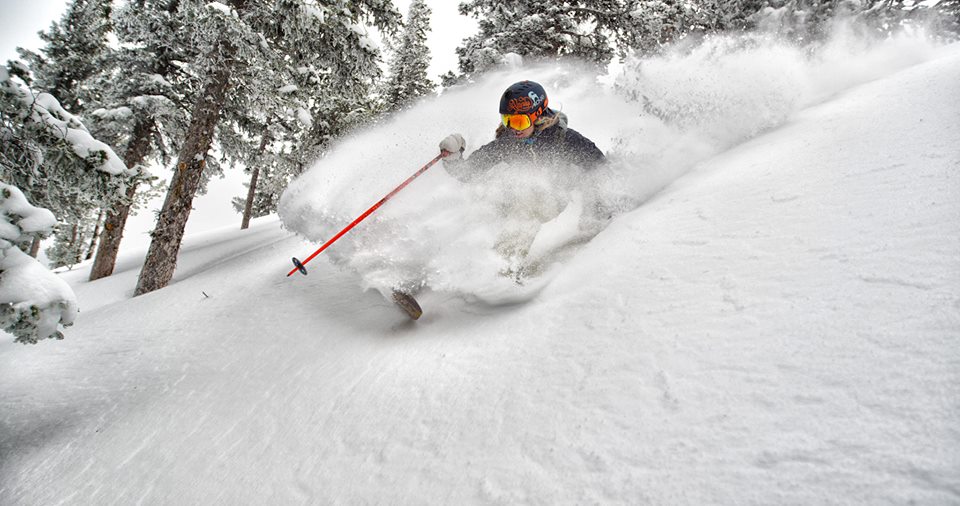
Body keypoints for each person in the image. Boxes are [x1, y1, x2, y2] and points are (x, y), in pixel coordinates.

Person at [439, 80, 605, 180]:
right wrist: (453, 158)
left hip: (563, 217)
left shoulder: (564, 140)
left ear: (538, 116)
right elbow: (467, 173)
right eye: (507, 120)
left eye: (519, 121)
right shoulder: (506, 144)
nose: (512, 129)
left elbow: (603, 170)